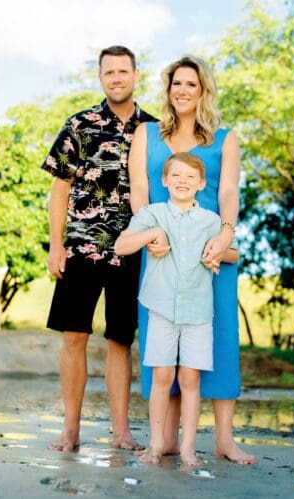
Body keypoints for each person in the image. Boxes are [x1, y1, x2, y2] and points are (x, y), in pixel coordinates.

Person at [129, 55, 257, 464]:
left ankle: (223, 440)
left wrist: (225, 234)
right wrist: (148, 235)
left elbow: (230, 194)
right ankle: (163, 439)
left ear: (203, 91)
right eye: (176, 83)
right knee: (160, 348)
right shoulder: (145, 134)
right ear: (168, 89)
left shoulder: (225, 138)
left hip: (212, 254)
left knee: (218, 341)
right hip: (161, 252)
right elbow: (138, 191)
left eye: (191, 84)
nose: (182, 91)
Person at [41, 45, 157, 452]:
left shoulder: (154, 130)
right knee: (74, 336)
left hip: (132, 251)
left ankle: (121, 431)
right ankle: (70, 430)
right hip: (80, 248)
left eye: (123, 71)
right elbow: (59, 191)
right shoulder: (80, 125)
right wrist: (56, 245)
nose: (116, 78)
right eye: (109, 72)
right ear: (101, 77)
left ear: (136, 74)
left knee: (120, 340)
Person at [115, 152, 237, 466]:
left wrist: (216, 251)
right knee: (162, 375)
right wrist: (153, 234)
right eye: (177, 176)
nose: (183, 182)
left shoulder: (210, 220)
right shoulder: (153, 213)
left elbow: (233, 254)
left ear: (201, 184)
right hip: (160, 307)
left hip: (198, 311)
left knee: (191, 380)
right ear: (165, 181)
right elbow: (121, 245)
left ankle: (187, 448)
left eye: (190, 177)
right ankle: (156, 445)